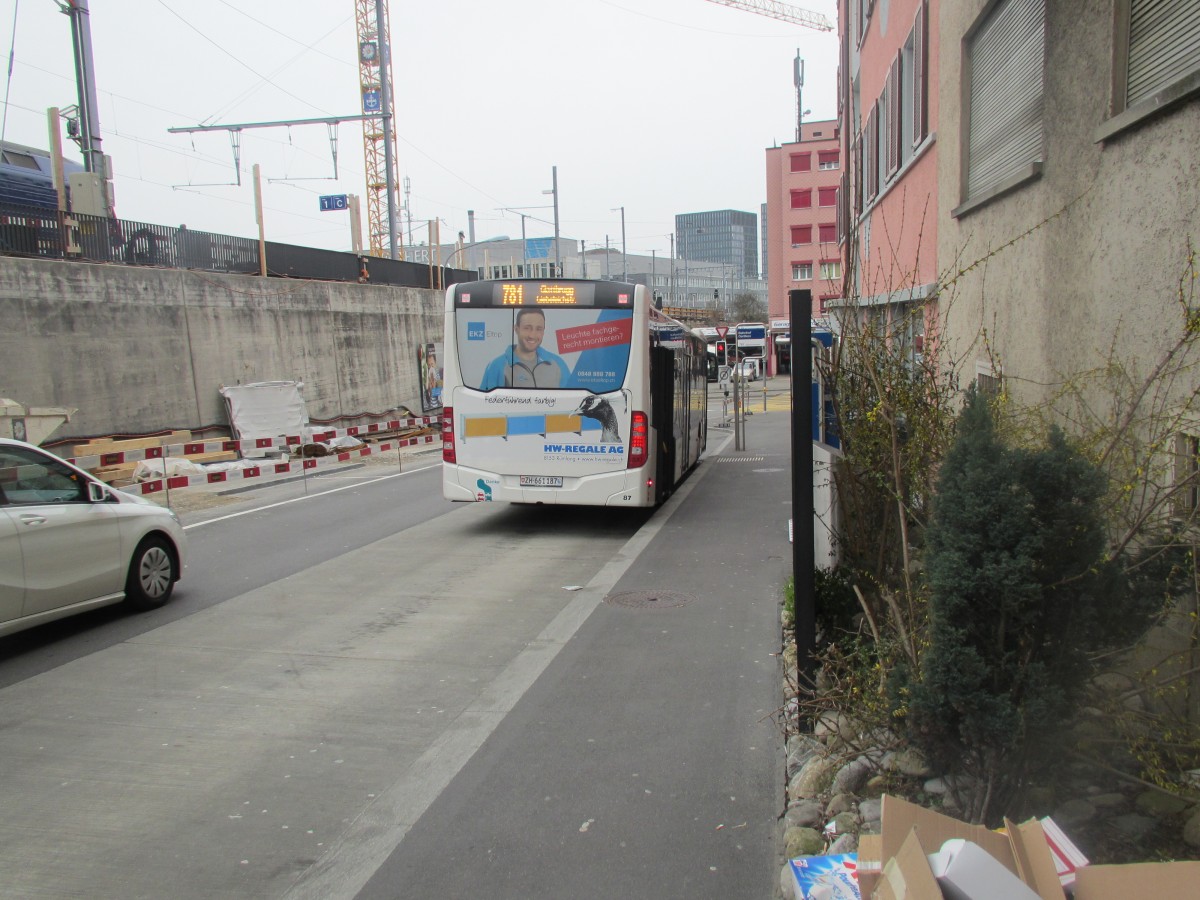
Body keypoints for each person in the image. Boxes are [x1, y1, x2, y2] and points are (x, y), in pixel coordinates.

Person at [479, 308, 569, 389]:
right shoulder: (497, 366)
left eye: (539, 329)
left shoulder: (558, 364)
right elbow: (485, 404)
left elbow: (572, 401)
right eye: (527, 328)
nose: (532, 335)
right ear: (516, 329)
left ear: (543, 331)